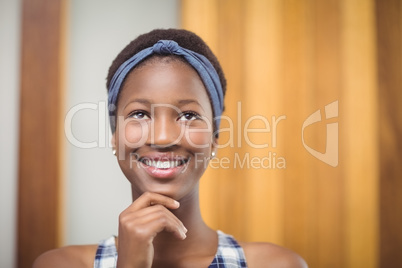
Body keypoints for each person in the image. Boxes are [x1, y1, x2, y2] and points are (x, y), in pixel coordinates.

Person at [34, 29, 307, 268]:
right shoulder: (59, 264)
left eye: (188, 115)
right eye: (140, 114)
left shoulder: (277, 264)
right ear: (115, 137)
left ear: (215, 137)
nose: (164, 138)